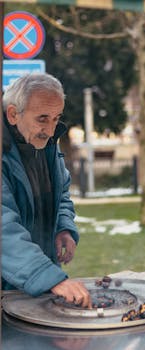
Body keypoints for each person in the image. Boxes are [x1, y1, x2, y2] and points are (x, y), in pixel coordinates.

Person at [2, 73, 91, 308]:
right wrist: (48, 277)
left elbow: (61, 192)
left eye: (56, 118)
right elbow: (3, 229)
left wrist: (63, 226)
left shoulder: (46, 141)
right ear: (13, 114)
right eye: (42, 119)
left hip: (36, 280)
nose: (51, 130)